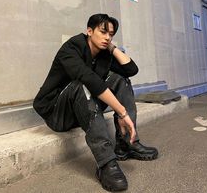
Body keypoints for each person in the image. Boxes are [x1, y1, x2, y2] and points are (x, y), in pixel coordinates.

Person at [33, 13, 158, 192]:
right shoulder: (71, 48)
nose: (107, 37)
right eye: (103, 32)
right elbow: (89, 79)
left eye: (111, 34)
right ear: (89, 31)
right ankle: (106, 163)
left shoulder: (103, 54)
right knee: (81, 84)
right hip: (57, 113)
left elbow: (131, 69)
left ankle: (126, 144)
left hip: (82, 108)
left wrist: (112, 48)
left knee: (120, 79)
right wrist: (122, 112)